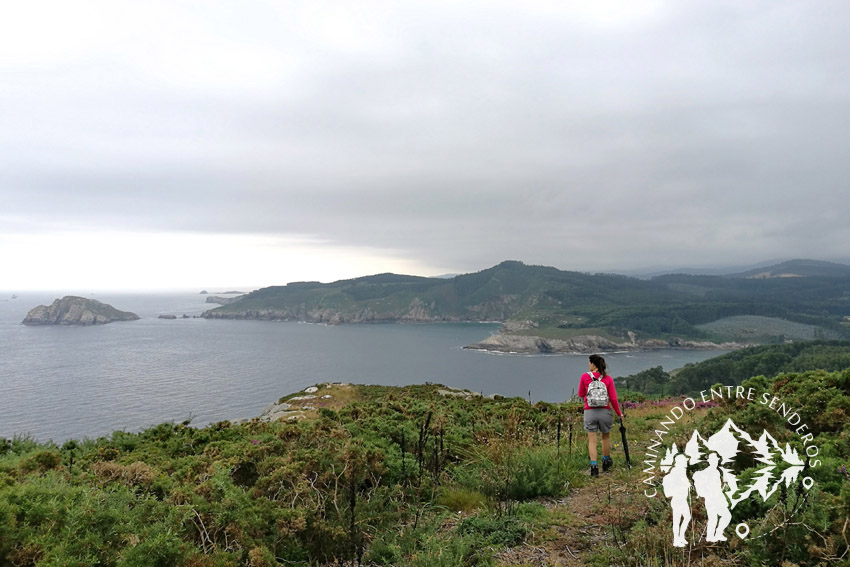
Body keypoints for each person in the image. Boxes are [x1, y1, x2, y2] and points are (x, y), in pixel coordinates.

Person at [577, 354, 623, 477]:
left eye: (589, 362)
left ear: (593, 364)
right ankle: (606, 461)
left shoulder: (585, 377)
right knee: (605, 438)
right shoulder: (608, 379)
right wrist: (619, 413)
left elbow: (581, 394)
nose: (588, 365)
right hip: (605, 412)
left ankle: (594, 467)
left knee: (592, 441)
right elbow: (613, 398)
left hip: (590, 412)